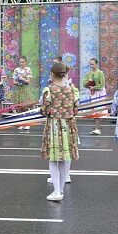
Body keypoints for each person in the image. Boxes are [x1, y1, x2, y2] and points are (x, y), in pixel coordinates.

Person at [40, 62, 79, 202]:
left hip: (54, 126)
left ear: (52, 74)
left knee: (53, 158)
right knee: (64, 158)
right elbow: (76, 110)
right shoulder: (72, 90)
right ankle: (60, 189)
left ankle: (56, 191)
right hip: (68, 126)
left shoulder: (49, 90)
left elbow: (44, 111)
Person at [83, 58, 106, 135]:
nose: (91, 65)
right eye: (90, 64)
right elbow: (84, 82)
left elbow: (102, 85)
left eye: (92, 64)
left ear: (96, 64)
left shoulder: (100, 73)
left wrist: (95, 87)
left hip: (99, 93)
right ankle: (97, 127)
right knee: (94, 110)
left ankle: (97, 128)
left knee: (98, 109)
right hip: (93, 93)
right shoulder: (89, 73)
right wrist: (87, 85)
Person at [12, 56, 34, 129]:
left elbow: (28, 82)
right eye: (20, 62)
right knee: (19, 107)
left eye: (23, 62)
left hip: (25, 90)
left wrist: (23, 80)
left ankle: (27, 123)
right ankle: (21, 123)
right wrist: (17, 82)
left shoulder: (28, 69)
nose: (21, 63)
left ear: (26, 62)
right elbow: (14, 81)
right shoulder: (16, 70)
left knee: (25, 107)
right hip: (18, 90)